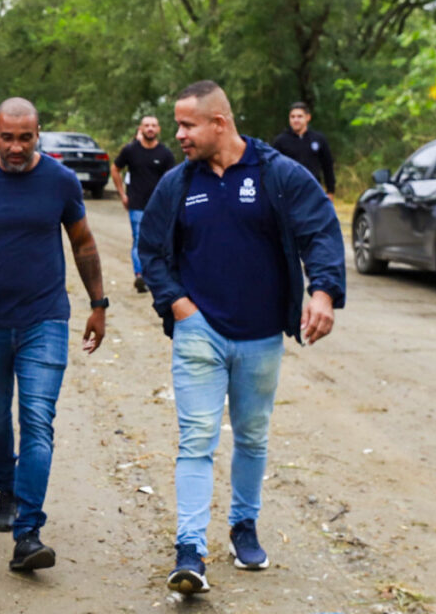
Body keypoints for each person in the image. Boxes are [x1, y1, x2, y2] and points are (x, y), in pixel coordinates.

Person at [138, 80, 345, 595]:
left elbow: (320, 230)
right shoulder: (178, 183)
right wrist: (178, 305)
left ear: (219, 123)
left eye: (187, 125)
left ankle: (243, 526)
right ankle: (190, 549)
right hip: (199, 331)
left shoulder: (277, 173)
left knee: (252, 435)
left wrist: (323, 291)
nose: (179, 134)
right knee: (197, 438)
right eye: (177, 125)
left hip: (261, 334)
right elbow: (152, 250)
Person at [0, 97, 107, 571]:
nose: (16, 147)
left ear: (38, 135)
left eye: (25, 138)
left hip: (44, 319)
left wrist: (99, 304)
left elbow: (83, 242)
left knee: (37, 421)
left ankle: (28, 532)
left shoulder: (60, 180)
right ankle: (6, 488)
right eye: (7, 137)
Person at [111, 115, 175, 293]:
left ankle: (158, 275)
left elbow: (173, 179)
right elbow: (115, 169)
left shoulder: (165, 153)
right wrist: (122, 194)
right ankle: (140, 276)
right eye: (147, 125)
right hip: (137, 203)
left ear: (158, 129)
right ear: (141, 128)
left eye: (153, 125)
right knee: (139, 239)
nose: (150, 128)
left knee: (161, 241)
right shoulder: (130, 150)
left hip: (159, 205)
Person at [271, 101, 336, 202]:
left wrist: (330, 191)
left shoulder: (319, 139)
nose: (295, 120)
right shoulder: (280, 141)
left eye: (299, 116)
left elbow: (327, 166)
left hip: (313, 190)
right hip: (288, 193)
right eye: (292, 117)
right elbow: (273, 169)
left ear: (308, 117)